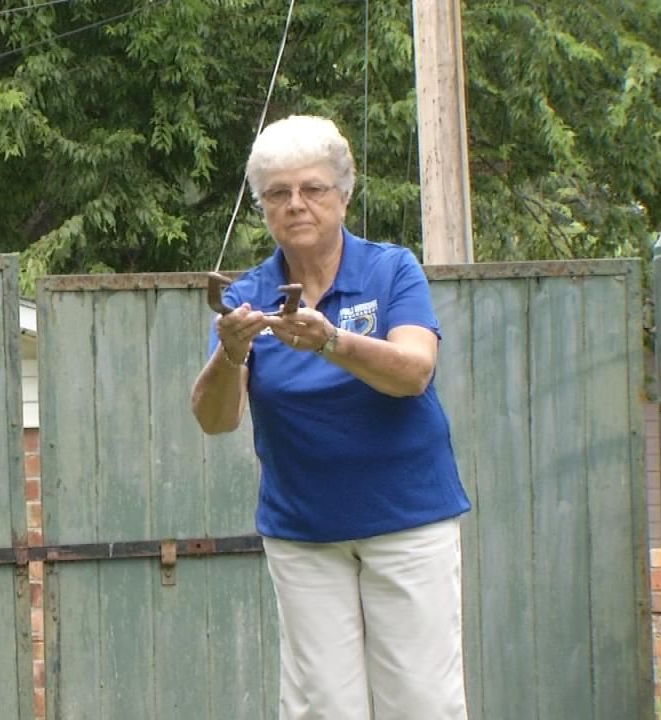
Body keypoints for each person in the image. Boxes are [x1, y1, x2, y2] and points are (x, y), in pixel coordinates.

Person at [190, 115, 471, 720]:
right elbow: (215, 421)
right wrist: (232, 350)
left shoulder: (391, 270)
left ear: (344, 195)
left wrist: (329, 342)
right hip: (304, 530)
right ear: (263, 207)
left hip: (408, 519)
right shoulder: (247, 296)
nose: (296, 205)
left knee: (421, 700)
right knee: (322, 706)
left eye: (313, 189)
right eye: (277, 194)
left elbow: (414, 371)